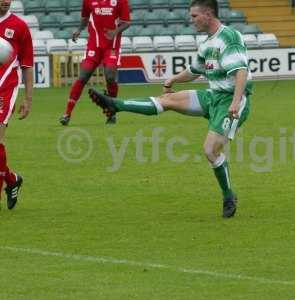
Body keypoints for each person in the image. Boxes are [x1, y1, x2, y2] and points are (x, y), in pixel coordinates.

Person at [89, 0, 252, 218]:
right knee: (167, 100)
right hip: (213, 96)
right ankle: (116, 104)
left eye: (194, 16)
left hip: (232, 101)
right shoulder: (206, 44)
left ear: (208, 14)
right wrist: (173, 79)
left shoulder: (228, 37)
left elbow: (241, 71)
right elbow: (195, 71)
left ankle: (228, 195)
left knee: (210, 150)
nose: (191, 20)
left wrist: (234, 102)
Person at [59, 0, 131, 126]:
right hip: (94, 46)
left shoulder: (120, 1)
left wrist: (115, 32)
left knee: (110, 76)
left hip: (111, 46)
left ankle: (112, 113)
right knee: (82, 77)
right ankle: (67, 114)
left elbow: (127, 23)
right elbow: (85, 17)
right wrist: (79, 30)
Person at [0, 0, 33, 209]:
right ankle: (12, 179)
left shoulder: (20, 26)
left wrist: (28, 98)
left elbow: (27, 65)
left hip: (6, 89)